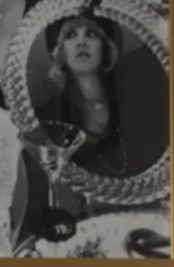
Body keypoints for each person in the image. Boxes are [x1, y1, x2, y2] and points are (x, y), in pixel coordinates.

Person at [42, 11, 131, 177]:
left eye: (91, 34)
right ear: (61, 53)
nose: (81, 42)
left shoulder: (130, 100)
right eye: (71, 35)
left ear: (105, 47)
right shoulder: (53, 117)